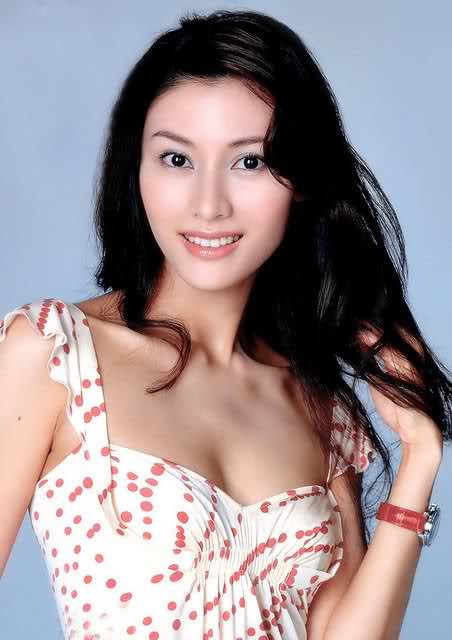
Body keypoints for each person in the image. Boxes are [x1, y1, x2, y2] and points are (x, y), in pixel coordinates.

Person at [0, 8, 449, 640]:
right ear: (136, 168)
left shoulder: (319, 406)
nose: (209, 205)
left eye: (251, 162)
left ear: (300, 180)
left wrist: (421, 457)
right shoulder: (54, 355)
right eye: (176, 159)